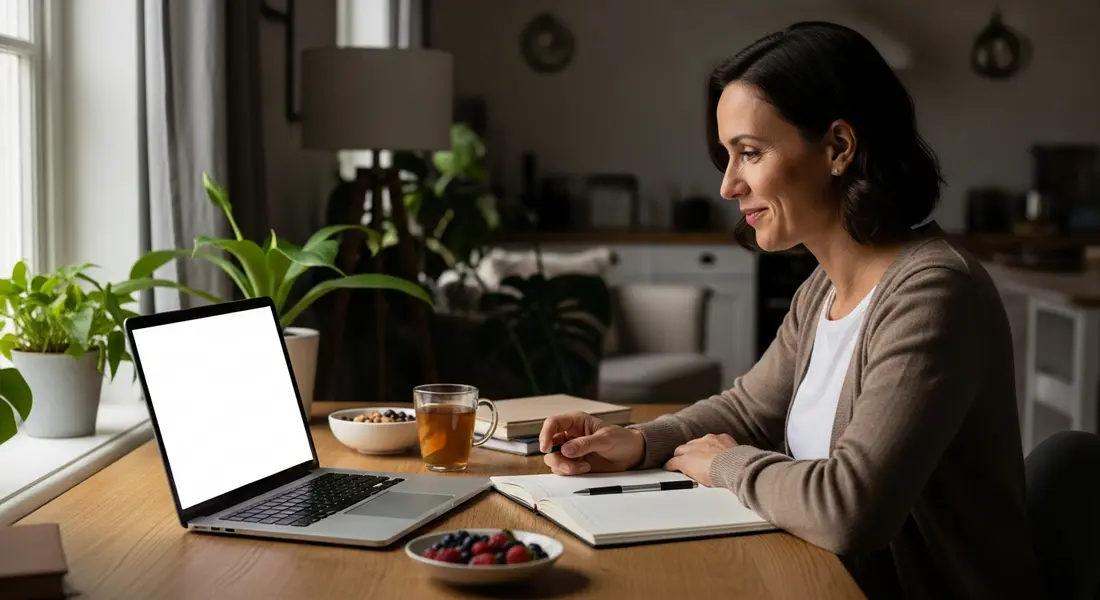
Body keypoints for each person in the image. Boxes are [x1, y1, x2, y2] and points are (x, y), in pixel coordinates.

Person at [538, 21, 1045, 600]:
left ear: (838, 148)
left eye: (750, 153)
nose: (729, 185)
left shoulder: (933, 294)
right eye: (728, 157)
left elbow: (849, 509)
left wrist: (728, 467)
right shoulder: (824, 288)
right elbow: (751, 409)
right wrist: (637, 443)